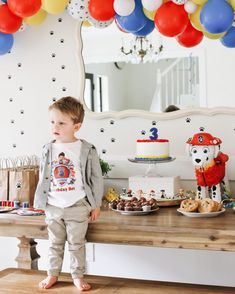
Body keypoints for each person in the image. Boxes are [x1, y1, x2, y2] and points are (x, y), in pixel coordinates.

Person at [34, 96, 103, 291]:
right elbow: (43, 178)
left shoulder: (86, 149)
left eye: (62, 123)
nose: (55, 126)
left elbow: (96, 178)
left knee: (76, 244)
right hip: (53, 206)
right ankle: (52, 274)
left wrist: (96, 204)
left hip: (78, 205)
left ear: (77, 126)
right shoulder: (47, 149)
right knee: (54, 243)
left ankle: (77, 276)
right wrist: (41, 202)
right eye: (52, 122)